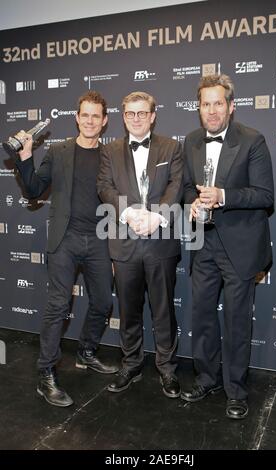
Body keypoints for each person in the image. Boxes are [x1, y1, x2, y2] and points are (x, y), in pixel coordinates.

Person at [14, 90, 118, 408]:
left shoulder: (112, 156)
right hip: (65, 240)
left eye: (95, 116)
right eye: (84, 114)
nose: (89, 121)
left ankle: (86, 352)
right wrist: (26, 156)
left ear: (104, 121)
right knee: (58, 306)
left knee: (102, 302)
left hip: (100, 239)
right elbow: (33, 190)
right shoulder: (58, 151)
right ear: (77, 117)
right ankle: (46, 374)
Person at [182, 74, 274, 419]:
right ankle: (207, 378)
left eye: (218, 103)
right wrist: (191, 202)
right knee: (203, 317)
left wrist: (224, 196)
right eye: (205, 104)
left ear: (231, 106)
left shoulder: (253, 140)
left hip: (240, 247)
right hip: (203, 244)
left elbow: (265, 196)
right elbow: (188, 189)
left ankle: (236, 390)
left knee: (236, 322)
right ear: (199, 108)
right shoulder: (191, 141)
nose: (212, 110)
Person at [97, 91, 183, 398]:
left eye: (142, 113)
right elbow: (104, 186)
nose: (136, 118)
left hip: (160, 241)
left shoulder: (171, 147)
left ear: (153, 115)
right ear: (123, 116)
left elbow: (177, 185)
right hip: (124, 242)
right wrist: (130, 213)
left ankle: (168, 369)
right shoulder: (109, 151)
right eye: (130, 113)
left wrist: (157, 217)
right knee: (128, 310)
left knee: (163, 311)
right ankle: (130, 364)